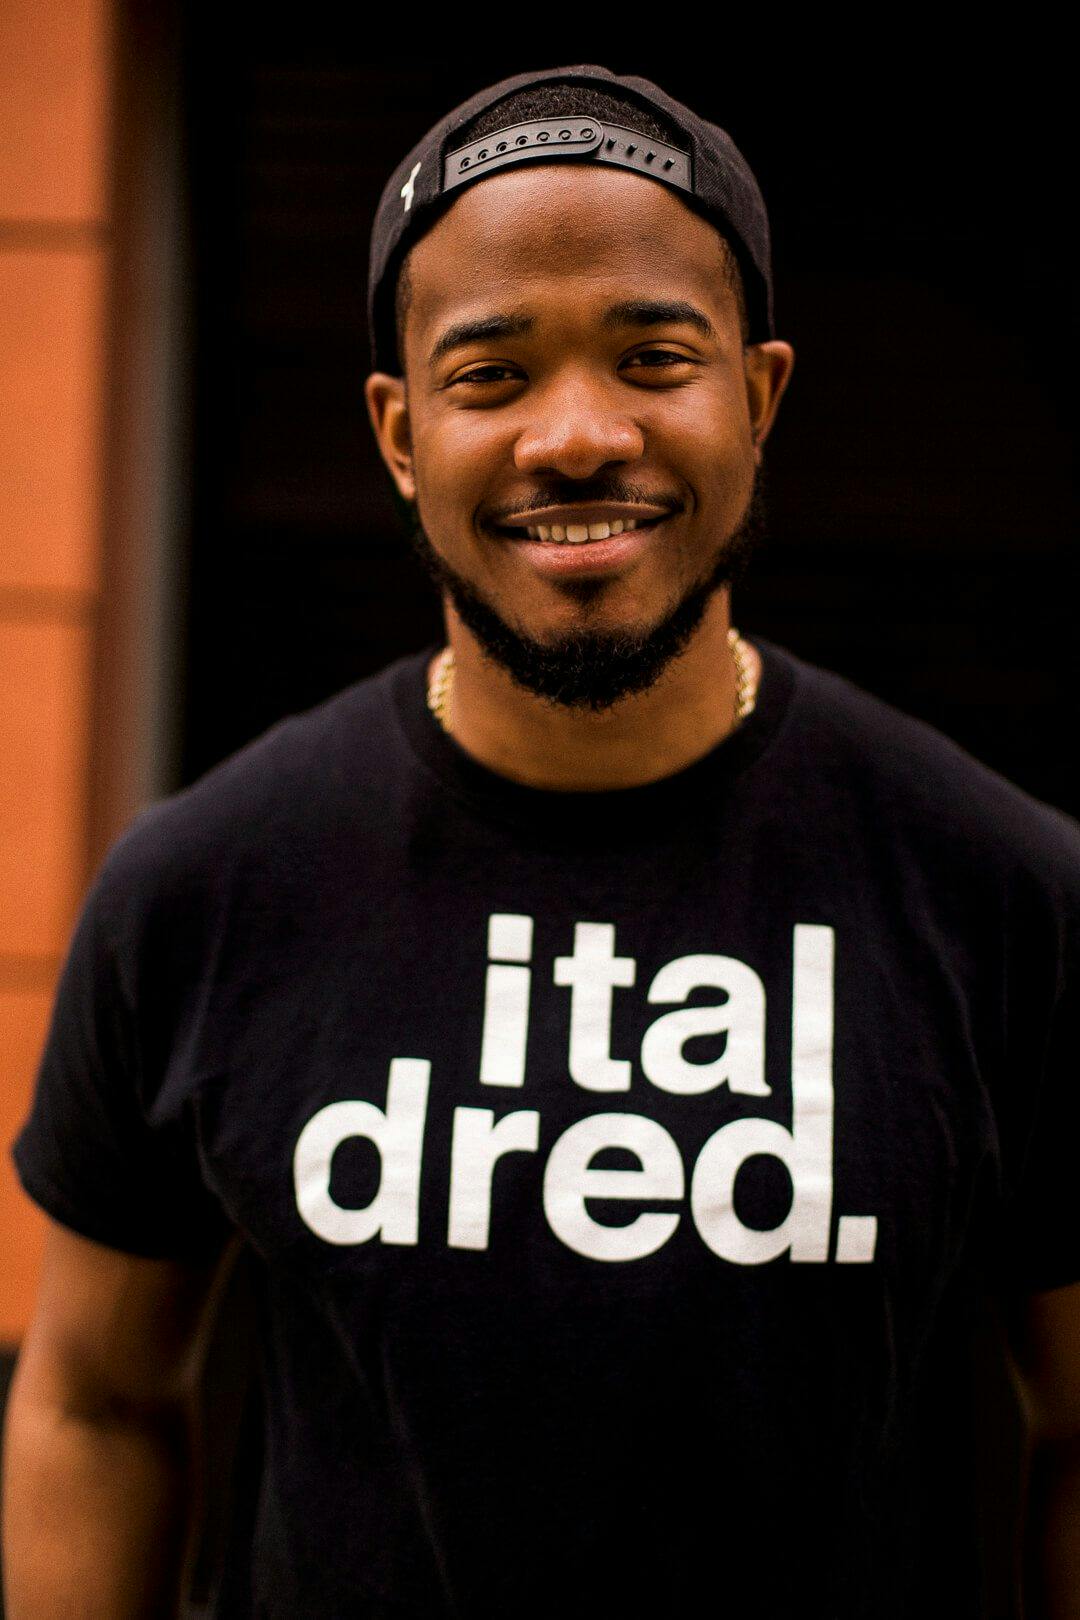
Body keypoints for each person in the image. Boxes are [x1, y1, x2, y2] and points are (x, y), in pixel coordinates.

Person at [3, 62, 1079, 1619]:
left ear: (760, 396)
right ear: (398, 431)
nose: (576, 436)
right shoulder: (206, 887)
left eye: (654, 358)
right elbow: (93, 1403)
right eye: (492, 374)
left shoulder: (1006, 894)